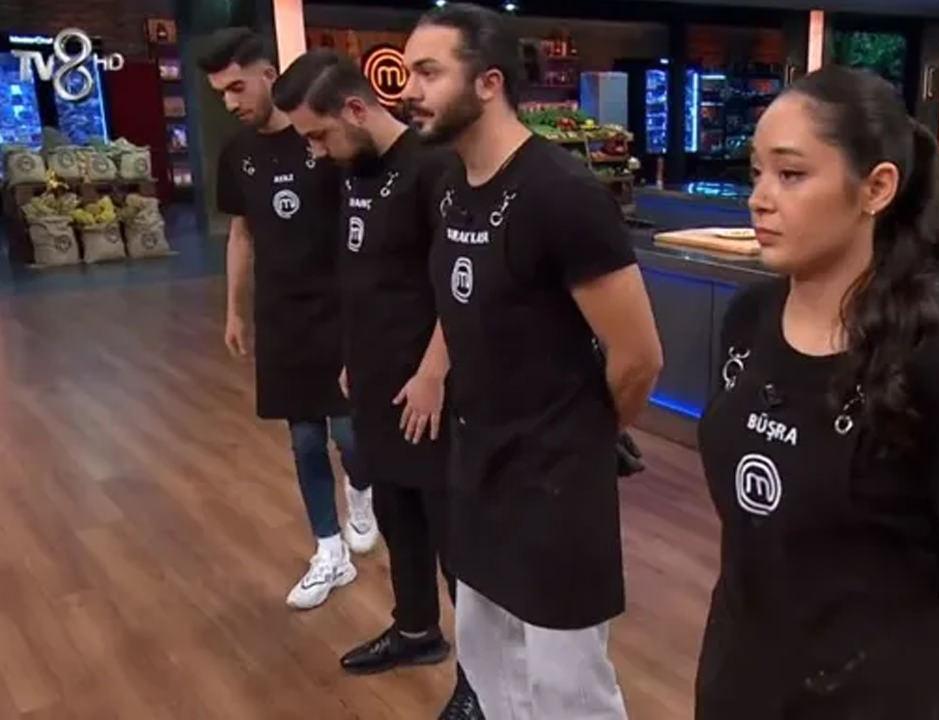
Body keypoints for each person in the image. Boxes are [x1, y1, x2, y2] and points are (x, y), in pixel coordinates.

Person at [694, 65, 939, 719]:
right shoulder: (750, 319)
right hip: (743, 675)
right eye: (756, 172)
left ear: (876, 188)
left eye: (791, 174)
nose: (759, 198)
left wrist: (892, 572)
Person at [402, 5, 663, 718]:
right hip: (477, 464)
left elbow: (639, 355)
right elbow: (464, 308)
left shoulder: (561, 194)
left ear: (488, 83)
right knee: (487, 660)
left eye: (429, 72)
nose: (410, 90)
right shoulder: (451, 185)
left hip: (554, 482)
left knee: (566, 684)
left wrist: (583, 438)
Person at [272, 50, 481, 719]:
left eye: (318, 135)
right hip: (373, 379)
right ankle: (416, 631)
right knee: (397, 514)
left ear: (357, 110)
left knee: (455, 541)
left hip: (429, 388)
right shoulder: (353, 171)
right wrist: (351, 356)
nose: (315, 151)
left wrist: (434, 371)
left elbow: (460, 284)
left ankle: (481, 679)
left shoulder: (434, 169)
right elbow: (362, 272)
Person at [200, 28, 378, 611]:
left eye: (236, 88)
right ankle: (329, 550)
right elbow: (242, 233)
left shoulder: (321, 139)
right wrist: (234, 309)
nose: (230, 102)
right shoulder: (237, 154)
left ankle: (362, 490)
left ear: (267, 75)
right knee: (304, 439)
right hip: (281, 315)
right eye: (221, 94)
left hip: (340, 308)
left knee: (350, 433)